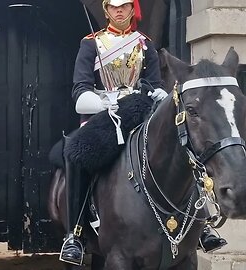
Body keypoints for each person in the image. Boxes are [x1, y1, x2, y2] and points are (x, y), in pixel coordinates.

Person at [59, 0, 226, 265]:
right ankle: (76, 234)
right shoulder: (91, 44)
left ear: (131, 8)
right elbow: (80, 89)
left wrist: (159, 95)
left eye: (124, 5)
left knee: (181, 148)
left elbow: (153, 83)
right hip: (105, 115)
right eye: (113, 7)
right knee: (75, 154)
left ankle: (202, 224)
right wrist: (105, 102)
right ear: (105, 10)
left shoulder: (144, 43)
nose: (119, 11)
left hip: (141, 111)